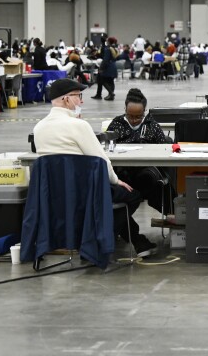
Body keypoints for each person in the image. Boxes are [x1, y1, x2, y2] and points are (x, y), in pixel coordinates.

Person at [33, 79, 157, 257]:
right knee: (132, 195)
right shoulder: (79, 126)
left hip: (54, 193)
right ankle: (99, 239)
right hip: (85, 191)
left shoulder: (39, 128)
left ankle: (133, 240)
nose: (81, 101)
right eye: (78, 96)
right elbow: (101, 161)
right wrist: (117, 180)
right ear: (67, 100)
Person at [105, 88, 174, 214]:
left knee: (158, 186)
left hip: (146, 175)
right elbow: (108, 148)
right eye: (130, 116)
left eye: (138, 116)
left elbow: (164, 149)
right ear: (125, 110)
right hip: (122, 174)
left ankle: (174, 215)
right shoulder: (116, 124)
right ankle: (129, 230)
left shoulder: (152, 126)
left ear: (144, 112)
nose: (134, 120)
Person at [91, 37, 117, 101]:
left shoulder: (108, 49)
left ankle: (111, 93)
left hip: (108, 66)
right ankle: (111, 96)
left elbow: (105, 60)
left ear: (108, 41)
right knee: (111, 81)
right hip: (113, 66)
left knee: (103, 80)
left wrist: (101, 68)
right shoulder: (114, 48)